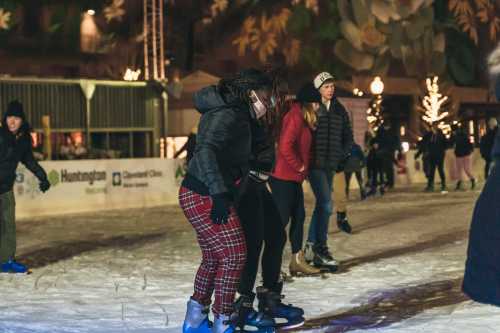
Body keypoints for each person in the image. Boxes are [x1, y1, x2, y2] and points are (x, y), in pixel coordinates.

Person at [178, 69, 276, 333]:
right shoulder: (227, 114)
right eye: (265, 97)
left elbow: (240, 152)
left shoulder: (240, 115)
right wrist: (219, 194)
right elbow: (206, 151)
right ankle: (224, 322)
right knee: (234, 255)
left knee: (213, 257)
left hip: (203, 191)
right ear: (250, 93)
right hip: (204, 193)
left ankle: (195, 319)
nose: (268, 103)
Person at [235, 77, 304, 330]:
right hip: (246, 185)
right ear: (252, 94)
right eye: (269, 97)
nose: (273, 101)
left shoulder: (263, 116)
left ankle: (270, 299)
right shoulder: (242, 115)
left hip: (261, 183)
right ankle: (241, 307)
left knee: (276, 236)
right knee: (252, 244)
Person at [269, 82, 321, 279]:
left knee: (299, 217)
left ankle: (297, 260)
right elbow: (285, 146)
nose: (318, 107)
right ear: (308, 103)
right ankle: (271, 265)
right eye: (316, 103)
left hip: (293, 178)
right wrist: (299, 165)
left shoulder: (303, 118)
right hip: (283, 177)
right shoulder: (295, 117)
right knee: (280, 221)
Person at [303, 72, 353, 272]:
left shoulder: (340, 109)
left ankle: (311, 246)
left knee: (322, 205)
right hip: (315, 165)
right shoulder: (313, 108)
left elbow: (348, 136)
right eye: (326, 86)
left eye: (332, 86)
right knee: (325, 203)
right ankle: (320, 248)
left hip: (331, 164)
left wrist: (343, 154)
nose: (330, 89)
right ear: (318, 89)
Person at [0, 100, 51, 273]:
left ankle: (6, 261)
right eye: (9, 118)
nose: (12, 122)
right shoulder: (0, 135)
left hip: (5, 188)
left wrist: (43, 177)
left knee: (8, 226)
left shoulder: (24, 140)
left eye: (16, 118)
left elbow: (29, 160)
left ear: (22, 120)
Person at [420, 124, 448, 192]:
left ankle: (443, 184)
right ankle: (430, 185)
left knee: (440, 170)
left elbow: (446, 144)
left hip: (439, 155)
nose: (433, 128)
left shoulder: (441, 135)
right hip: (432, 155)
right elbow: (424, 143)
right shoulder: (429, 135)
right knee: (431, 171)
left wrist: (442, 150)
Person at [374, 121, 401, 189]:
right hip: (385, 151)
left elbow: (396, 141)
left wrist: (397, 149)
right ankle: (386, 182)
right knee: (384, 167)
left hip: (388, 151)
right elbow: (377, 139)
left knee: (388, 168)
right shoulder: (381, 131)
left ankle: (389, 183)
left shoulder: (390, 132)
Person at [451, 124, 476, 190]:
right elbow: (469, 144)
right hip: (463, 154)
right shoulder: (462, 135)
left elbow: (456, 144)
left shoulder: (457, 136)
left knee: (464, 169)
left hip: (462, 154)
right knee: (463, 169)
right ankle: (461, 183)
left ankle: (472, 180)